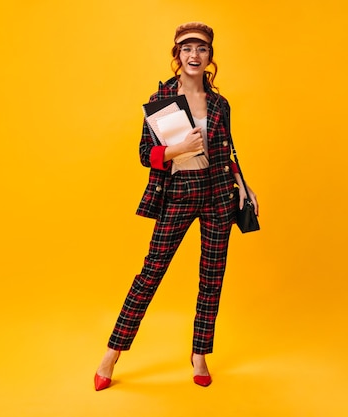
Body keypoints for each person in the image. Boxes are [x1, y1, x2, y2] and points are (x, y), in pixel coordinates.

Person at [94, 21, 258, 391]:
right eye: (187, 48)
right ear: (177, 55)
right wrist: (176, 150)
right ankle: (112, 352)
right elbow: (144, 154)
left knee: (211, 277)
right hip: (179, 192)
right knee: (150, 273)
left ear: (209, 57)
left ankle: (200, 354)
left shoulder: (220, 104)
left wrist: (244, 186)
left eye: (201, 49)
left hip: (218, 193)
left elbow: (226, 152)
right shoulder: (161, 102)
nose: (194, 55)